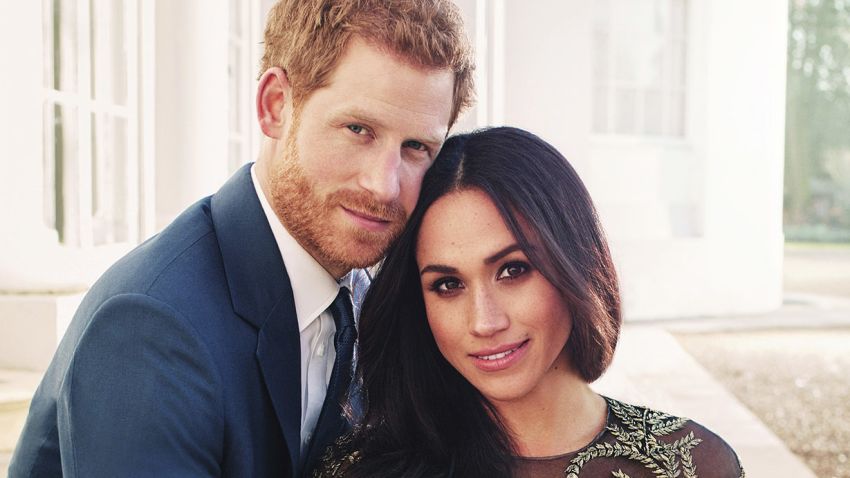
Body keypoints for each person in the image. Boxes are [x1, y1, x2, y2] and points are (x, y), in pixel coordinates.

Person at [9, 1, 473, 476]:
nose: (384, 185)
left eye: (416, 147)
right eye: (358, 129)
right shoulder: (151, 327)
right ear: (275, 105)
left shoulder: (365, 292)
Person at [315, 127, 745, 478]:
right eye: (448, 285)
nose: (484, 321)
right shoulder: (359, 470)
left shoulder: (691, 465)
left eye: (513, 270)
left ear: (574, 262)